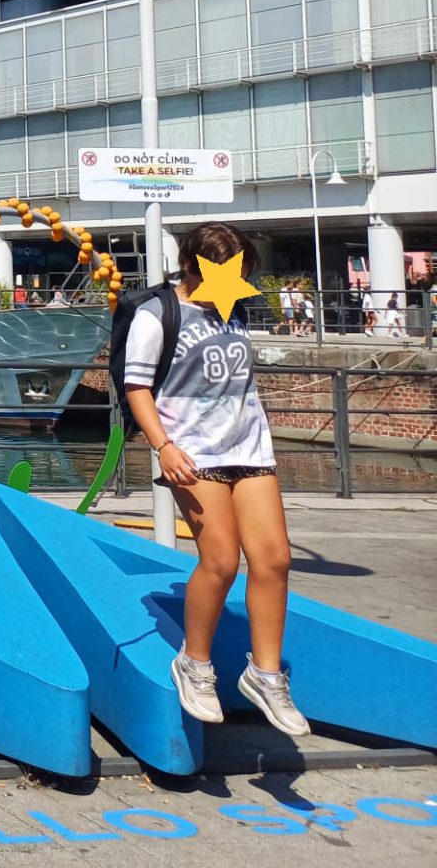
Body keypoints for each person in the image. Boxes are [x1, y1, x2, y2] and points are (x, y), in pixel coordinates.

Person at [123, 222, 308, 738]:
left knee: (274, 558)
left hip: (249, 446)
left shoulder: (235, 306)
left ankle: (266, 675)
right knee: (222, 559)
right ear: (190, 266)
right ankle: (195, 663)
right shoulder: (157, 314)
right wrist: (164, 446)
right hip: (192, 452)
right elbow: (137, 386)